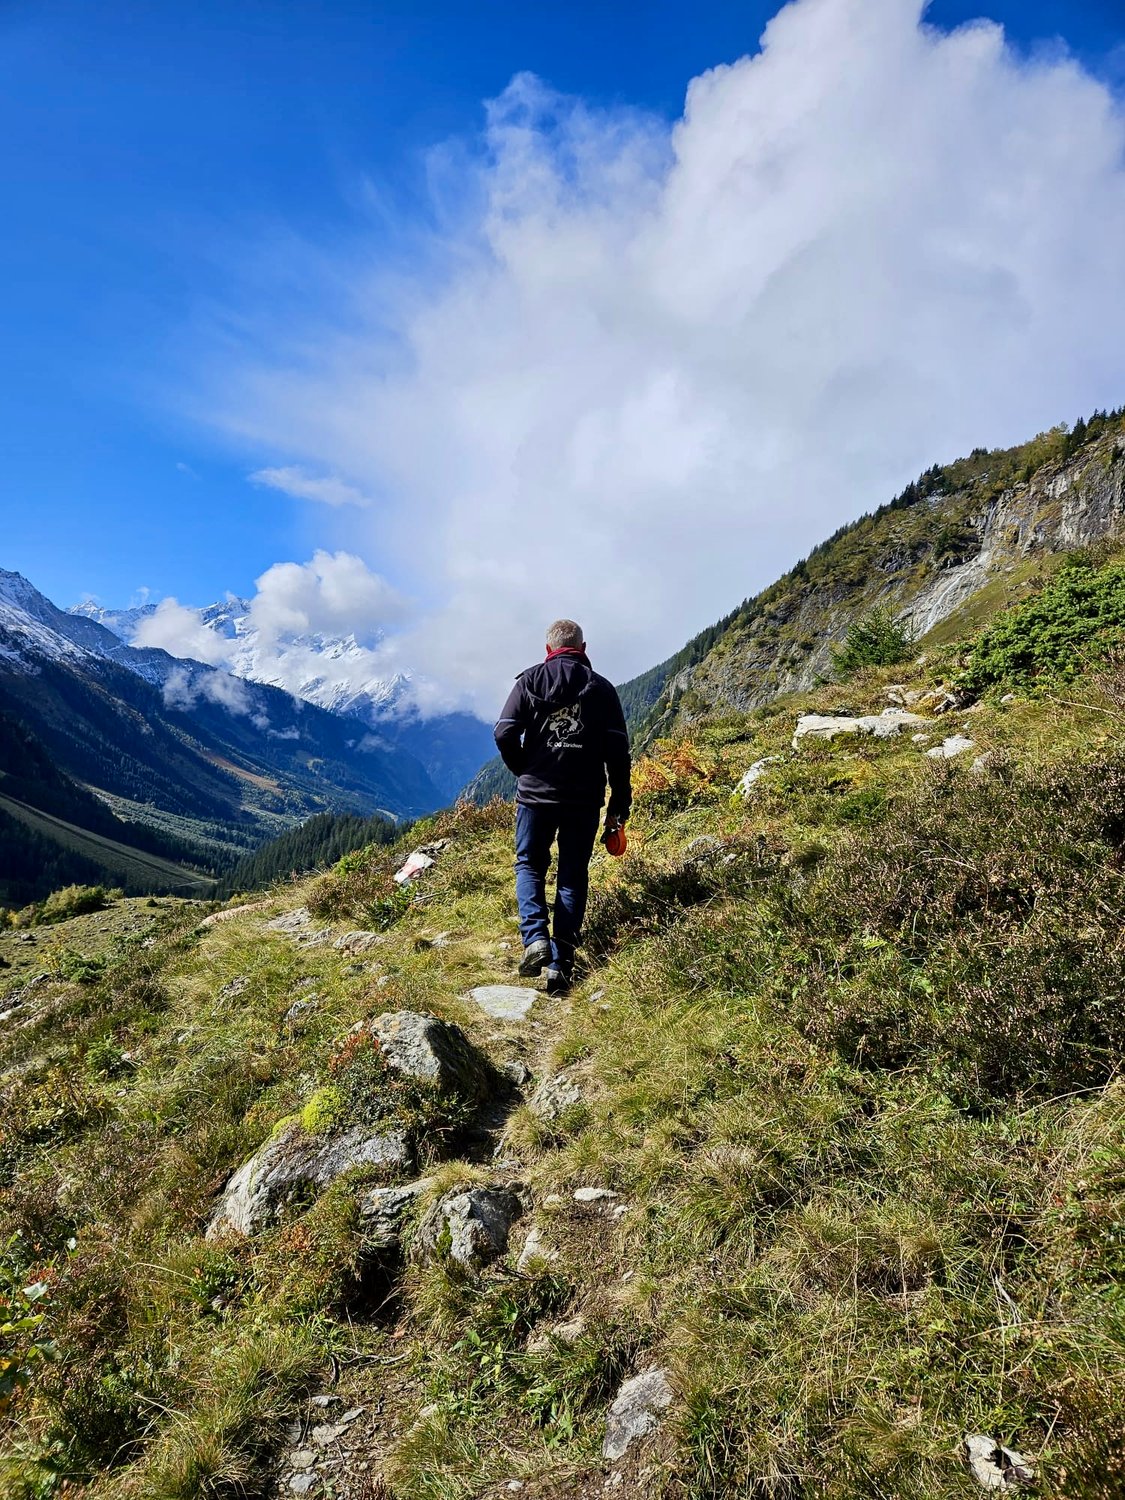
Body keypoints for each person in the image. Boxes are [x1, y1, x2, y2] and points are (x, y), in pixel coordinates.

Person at [493, 619, 631, 995]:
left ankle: (535, 938)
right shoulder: (602, 689)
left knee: (529, 865)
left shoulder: (529, 681)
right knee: (572, 875)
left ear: (548, 649)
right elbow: (618, 752)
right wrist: (620, 801)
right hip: (583, 799)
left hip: (536, 797)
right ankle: (561, 965)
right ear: (583, 649)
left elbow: (504, 731)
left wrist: (524, 768)